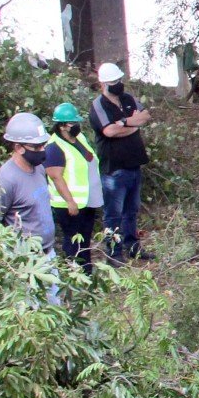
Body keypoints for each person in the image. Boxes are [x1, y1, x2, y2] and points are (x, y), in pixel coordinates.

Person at [88, 62, 151, 264]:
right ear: (103, 84)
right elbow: (108, 131)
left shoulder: (128, 99)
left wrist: (123, 123)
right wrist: (131, 123)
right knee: (113, 215)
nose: (118, 84)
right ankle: (113, 254)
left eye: (118, 80)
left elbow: (145, 116)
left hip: (134, 164)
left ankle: (133, 248)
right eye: (113, 82)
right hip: (113, 170)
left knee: (131, 211)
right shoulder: (98, 105)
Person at [0, 111, 56, 257]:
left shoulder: (38, 167)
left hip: (49, 252)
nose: (42, 150)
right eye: (36, 147)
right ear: (19, 148)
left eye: (43, 145)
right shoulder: (6, 179)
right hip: (25, 259)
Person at [43, 101, 99, 272]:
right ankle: (73, 273)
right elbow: (56, 177)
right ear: (61, 126)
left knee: (85, 238)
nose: (76, 126)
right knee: (73, 240)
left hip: (86, 201)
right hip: (69, 204)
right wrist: (70, 202)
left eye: (76, 122)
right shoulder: (54, 147)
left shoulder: (79, 138)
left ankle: (86, 272)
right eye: (72, 123)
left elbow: (89, 159)